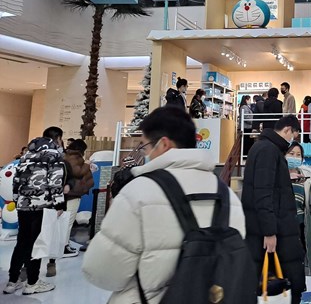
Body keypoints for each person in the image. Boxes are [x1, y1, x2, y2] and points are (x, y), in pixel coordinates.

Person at [82, 107, 246, 303]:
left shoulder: (138, 193)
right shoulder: (228, 196)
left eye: (145, 146)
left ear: (164, 144)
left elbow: (102, 271)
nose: (144, 153)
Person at [241, 115, 305, 304]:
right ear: (287, 130)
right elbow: (263, 193)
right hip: (275, 232)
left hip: (272, 228)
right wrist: (269, 231)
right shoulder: (268, 150)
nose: (292, 141)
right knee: (281, 284)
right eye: (293, 136)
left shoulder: (264, 148)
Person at [4, 128, 66, 296]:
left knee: (22, 242)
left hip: (23, 204)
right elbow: (55, 181)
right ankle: (32, 283)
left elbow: (16, 180)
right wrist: (59, 204)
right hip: (41, 205)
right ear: (58, 138)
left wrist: (17, 199)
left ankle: (12, 281)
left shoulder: (27, 154)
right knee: (37, 243)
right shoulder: (54, 154)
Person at [46, 138, 95, 277]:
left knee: (64, 221)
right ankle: (63, 247)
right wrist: (87, 165)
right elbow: (76, 172)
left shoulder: (65, 155)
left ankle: (63, 245)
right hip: (72, 194)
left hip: (65, 194)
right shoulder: (75, 157)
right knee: (68, 221)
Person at [286, 142, 311, 274]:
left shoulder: (306, 178)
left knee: (299, 266)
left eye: (298, 155)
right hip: (283, 228)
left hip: (301, 226)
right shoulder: (277, 175)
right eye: (291, 154)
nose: (295, 157)